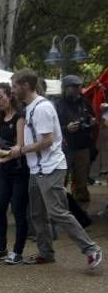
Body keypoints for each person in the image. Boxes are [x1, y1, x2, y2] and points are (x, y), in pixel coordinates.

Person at [9, 68, 102, 269]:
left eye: (14, 86)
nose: (12, 91)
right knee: (37, 214)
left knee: (58, 212)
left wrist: (21, 150)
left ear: (26, 85)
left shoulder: (42, 108)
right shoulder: (32, 107)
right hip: (38, 169)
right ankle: (46, 253)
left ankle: (91, 249)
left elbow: (47, 141)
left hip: (49, 168)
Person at [0, 83, 29, 264]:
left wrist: (5, 155)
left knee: (18, 211)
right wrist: (4, 154)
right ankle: (1, 247)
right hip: (4, 170)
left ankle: (17, 251)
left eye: (0, 96)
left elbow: (20, 145)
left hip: (19, 171)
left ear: (10, 96)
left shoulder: (19, 117)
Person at [55, 75, 96, 203]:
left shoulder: (84, 102)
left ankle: (81, 212)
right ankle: (60, 207)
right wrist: (66, 128)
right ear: (65, 88)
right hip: (64, 148)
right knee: (62, 179)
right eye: (74, 87)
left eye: (79, 86)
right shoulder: (57, 105)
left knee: (82, 181)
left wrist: (92, 121)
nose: (78, 89)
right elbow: (51, 128)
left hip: (83, 146)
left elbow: (92, 117)